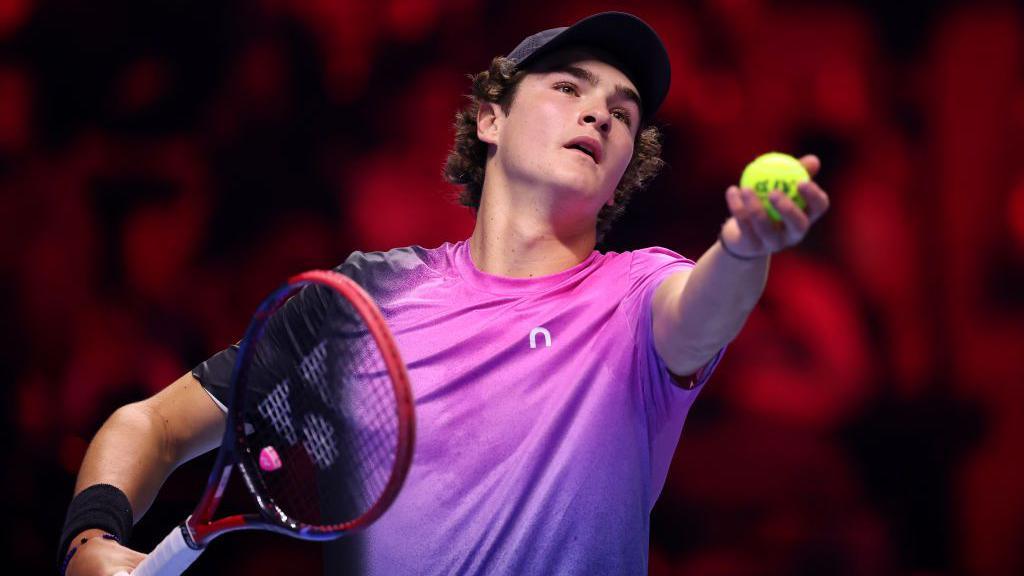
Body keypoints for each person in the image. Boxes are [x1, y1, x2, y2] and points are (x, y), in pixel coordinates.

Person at [58, 11, 830, 576]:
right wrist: (93, 541)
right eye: (568, 86)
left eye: (623, 113)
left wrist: (744, 246)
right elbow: (151, 425)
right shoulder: (361, 301)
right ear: (490, 118)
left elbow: (704, 309)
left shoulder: (636, 297)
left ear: (625, 167)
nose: (600, 110)